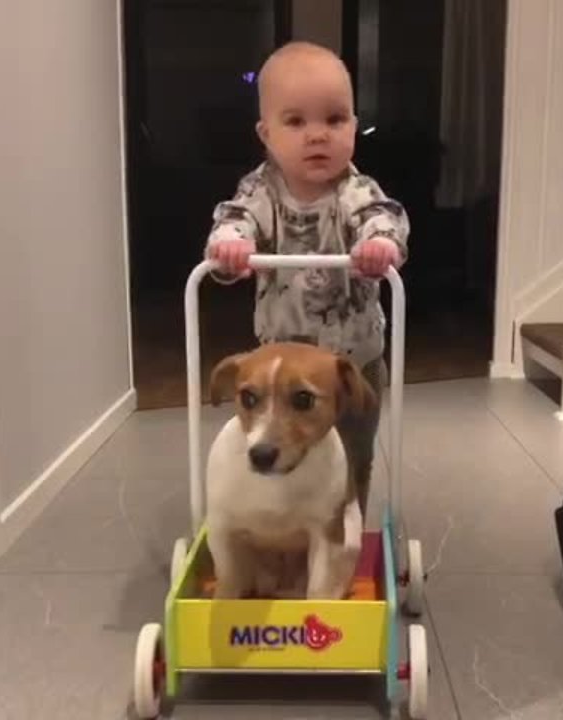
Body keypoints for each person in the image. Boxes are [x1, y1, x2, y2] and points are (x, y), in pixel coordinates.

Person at [203, 40, 410, 514]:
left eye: (334, 120)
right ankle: (282, 524)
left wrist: (380, 244)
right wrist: (232, 245)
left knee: (353, 454)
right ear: (266, 133)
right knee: (274, 446)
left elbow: (385, 217)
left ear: (354, 127)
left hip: (352, 364)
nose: (317, 135)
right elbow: (234, 219)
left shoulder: (357, 191)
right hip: (280, 364)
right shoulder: (260, 191)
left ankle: (345, 524)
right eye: (296, 122)